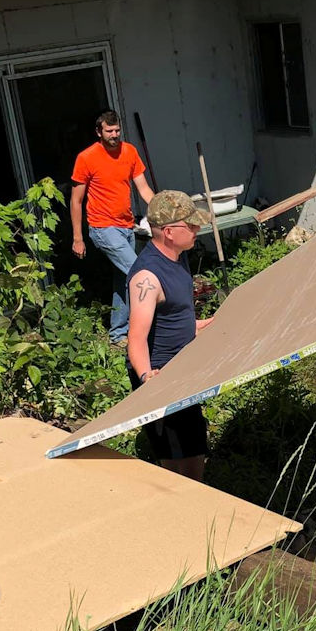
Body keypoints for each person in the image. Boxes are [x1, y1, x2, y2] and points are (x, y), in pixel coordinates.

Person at [126, 190, 214, 481]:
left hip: (183, 368)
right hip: (162, 375)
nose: (197, 229)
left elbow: (173, 311)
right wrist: (146, 377)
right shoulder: (147, 277)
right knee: (182, 456)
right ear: (168, 232)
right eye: (190, 226)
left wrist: (194, 326)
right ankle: (186, 511)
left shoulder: (178, 256)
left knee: (194, 445)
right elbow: (136, 338)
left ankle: (192, 500)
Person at [71, 110, 154, 343]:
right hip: (102, 227)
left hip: (126, 226)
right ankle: (159, 326)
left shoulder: (129, 151)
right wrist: (78, 237)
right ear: (99, 132)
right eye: (109, 131)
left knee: (124, 280)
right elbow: (76, 200)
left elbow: (144, 188)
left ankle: (118, 333)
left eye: (117, 130)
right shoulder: (86, 158)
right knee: (141, 273)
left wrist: (163, 209)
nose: (114, 135)